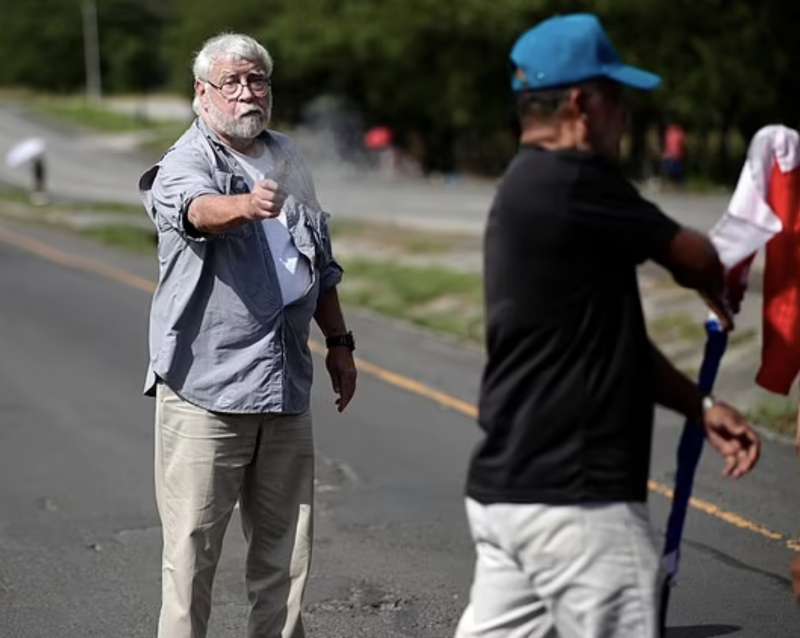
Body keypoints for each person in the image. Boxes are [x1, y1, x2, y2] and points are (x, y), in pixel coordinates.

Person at [455, 14, 760, 638]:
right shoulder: (576, 180)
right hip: (579, 507)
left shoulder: (526, 187)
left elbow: (610, 346)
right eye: (617, 100)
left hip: (510, 497)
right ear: (580, 104)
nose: (625, 117)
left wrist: (699, 405)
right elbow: (698, 257)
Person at [138, 33, 357, 638]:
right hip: (209, 388)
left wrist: (339, 343)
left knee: (286, 556)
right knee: (191, 555)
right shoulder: (188, 159)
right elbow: (189, 210)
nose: (245, 92)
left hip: (285, 381)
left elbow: (321, 260)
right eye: (230, 82)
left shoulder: (287, 154)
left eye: (256, 80)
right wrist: (242, 206)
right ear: (201, 95)